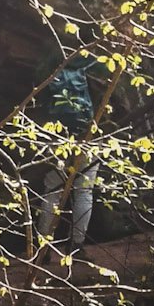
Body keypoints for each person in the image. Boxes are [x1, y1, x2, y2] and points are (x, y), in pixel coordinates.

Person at [33, 52, 104, 262]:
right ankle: (76, 246)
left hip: (57, 135)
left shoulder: (48, 70)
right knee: (84, 190)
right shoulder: (92, 67)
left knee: (52, 188)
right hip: (86, 134)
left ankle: (43, 247)